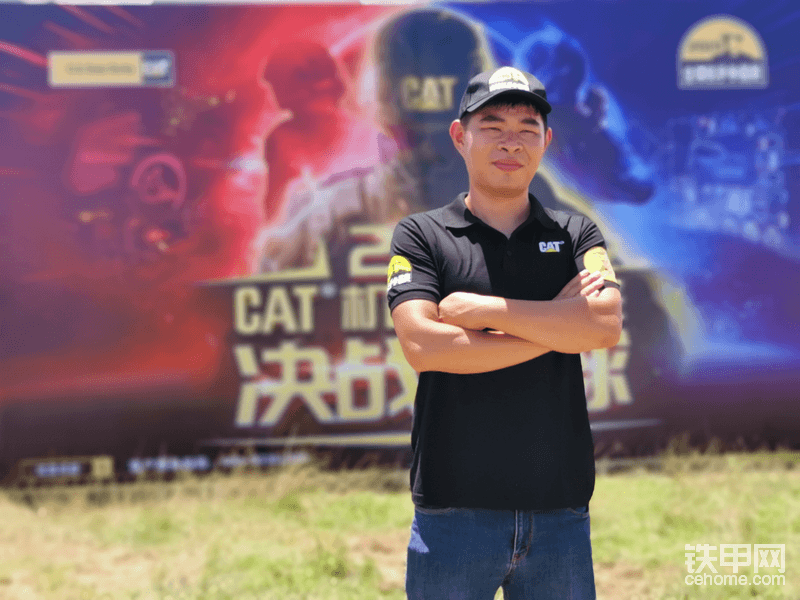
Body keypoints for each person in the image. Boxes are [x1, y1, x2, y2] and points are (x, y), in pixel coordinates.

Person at [386, 66, 623, 600]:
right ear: (459, 136)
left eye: (526, 128)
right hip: (453, 507)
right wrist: (558, 325)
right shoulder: (422, 235)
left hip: (559, 509)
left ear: (546, 141)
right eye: (492, 127)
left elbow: (604, 324)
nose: (510, 142)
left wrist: (485, 310)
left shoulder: (575, 233)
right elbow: (425, 346)